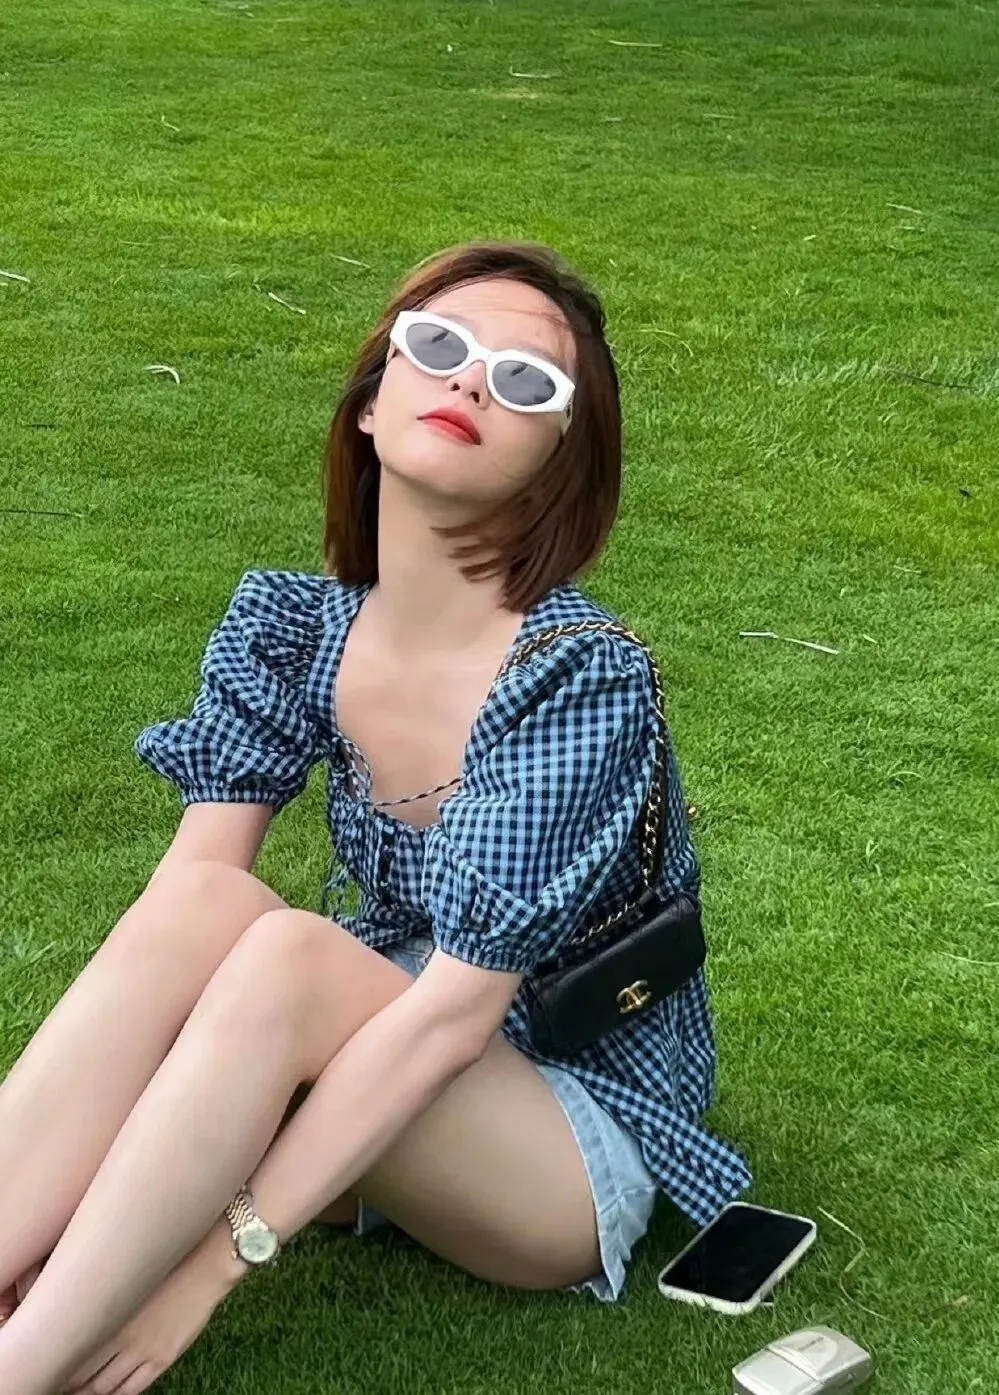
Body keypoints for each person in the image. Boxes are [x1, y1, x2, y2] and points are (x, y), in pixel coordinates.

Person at [0, 240, 751, 1395]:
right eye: (438, 346)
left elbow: (452, 1019)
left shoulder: (577, 677)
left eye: (524, 381)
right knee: (207, 902)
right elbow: (182, 916)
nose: (469, 382)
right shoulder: (295, 629)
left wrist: (209, 1264)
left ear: (557, 462)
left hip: (557, 1140)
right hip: (369, 1076)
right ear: (369, 400)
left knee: (295, 956)